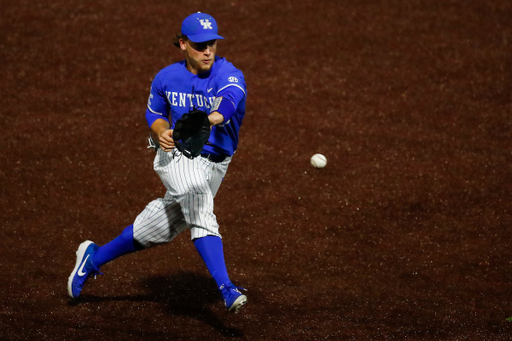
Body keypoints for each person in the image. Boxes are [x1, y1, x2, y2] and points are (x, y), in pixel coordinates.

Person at [67, 12, 248, 313]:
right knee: (200, 204)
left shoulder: (229, 74)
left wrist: (208, 118)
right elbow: (154, 114)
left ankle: (92, 258)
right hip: (176, 155)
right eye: (200, 45)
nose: (207, 51)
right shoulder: (166, 77)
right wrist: (162, 131)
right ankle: (225, 287)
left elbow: (228, 104)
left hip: (216, 163)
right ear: (182, 44)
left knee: (157, 229)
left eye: (212, 44)